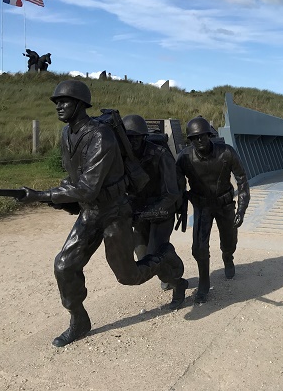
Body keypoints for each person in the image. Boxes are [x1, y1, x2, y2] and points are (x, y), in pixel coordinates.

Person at [20, 80, 185, 347]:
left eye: (64, 101)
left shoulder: (100, 136)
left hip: (115, 213)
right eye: (56, 102)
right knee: (64, 265)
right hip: (90, 211)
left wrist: (42, 195)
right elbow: (75, 177)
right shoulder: (66, 134)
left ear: (80, 104)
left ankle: (164, 260)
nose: (59, 106)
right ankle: (79, 320)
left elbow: (87, 187)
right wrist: (58, 196)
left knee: (128, 276)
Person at [176, 116, 250, 304]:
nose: (199, 140)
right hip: (202, 206)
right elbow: (177, 186)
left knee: (230, 239)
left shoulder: (226, 152)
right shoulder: (184, 158)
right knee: (199, 248)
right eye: (194, 138)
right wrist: (178, 205)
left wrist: (241, 209)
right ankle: (204, 282)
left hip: (225, 204)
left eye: (202, 136)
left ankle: (228, 256)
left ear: (209, 135)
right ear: (190, 140)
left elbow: (241, 179)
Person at [122, 114, 188, 303]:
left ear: (143, 137)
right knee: (142, 256)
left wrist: (145, 213)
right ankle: (166, 268)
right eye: (128, 139)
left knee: (154, 256)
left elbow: (172, 194)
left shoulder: (160, 155)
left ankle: (177, 281)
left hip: (161, 211)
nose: (131, 143)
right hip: (139, 213)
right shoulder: (123, 157)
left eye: (135, 138)